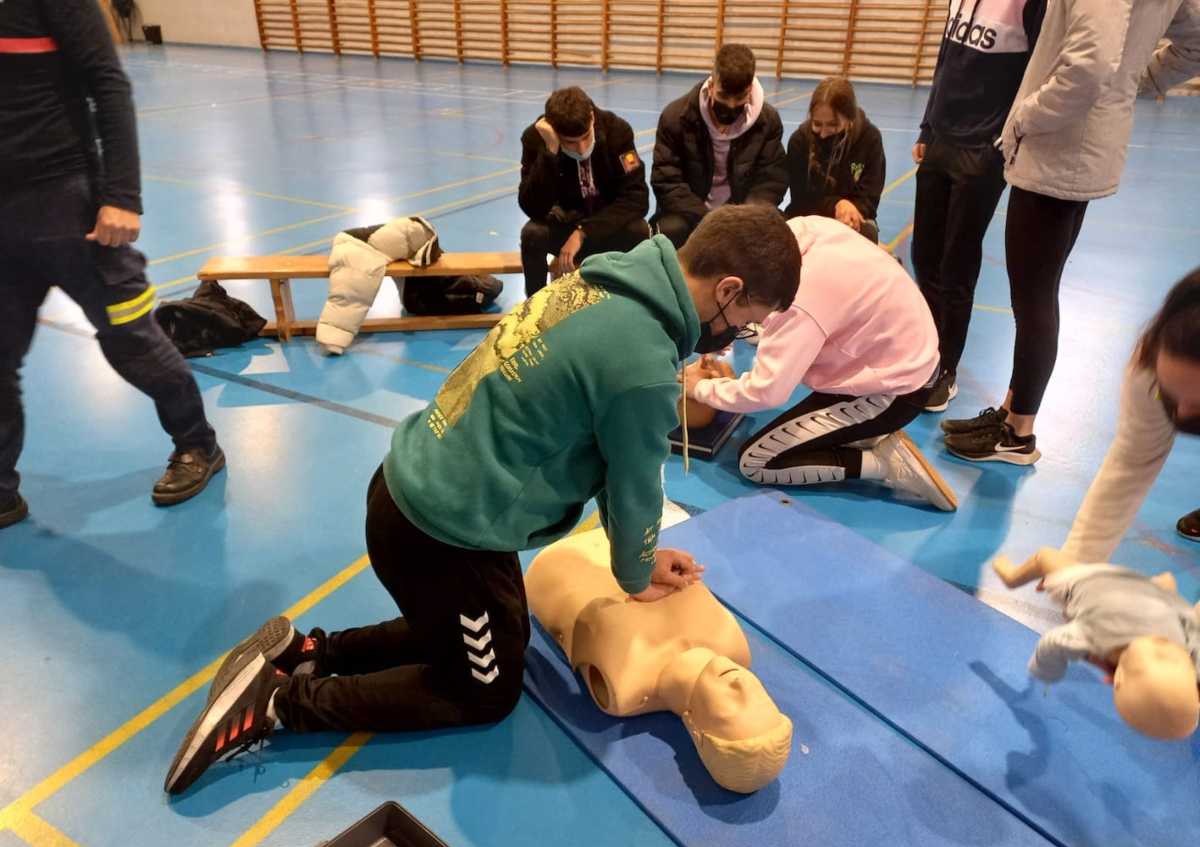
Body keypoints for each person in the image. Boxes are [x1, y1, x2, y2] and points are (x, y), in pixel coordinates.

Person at [163, 204, 803, 795]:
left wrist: (639, 560)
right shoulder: (645, 363)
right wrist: (636, 575)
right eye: (744, 324)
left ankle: (309, 652)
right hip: (443, 533)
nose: (734, 338)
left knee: (498, 633)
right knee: (484, 690)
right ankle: (278, 706)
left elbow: (609, 460)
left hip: (420, 486)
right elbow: (638, 484)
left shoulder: (604, 281)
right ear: (727, 292)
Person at [942, 0, 1200, 465]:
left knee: (1034, 298)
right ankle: (1010, 412)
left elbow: (1089, 65)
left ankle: (1019, 431)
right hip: (1078, 146)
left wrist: (1025, 117)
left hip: (1059, 148)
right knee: (1036, 293)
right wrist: (1134, 81)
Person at [0, 0, 223, 530]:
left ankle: (197, 444)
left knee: (130, 338)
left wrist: (121, 195)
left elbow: (108, 83)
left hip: (66, 201)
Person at [683, 215, 958, 512]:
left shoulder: (800, 303)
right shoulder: (797, 234)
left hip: (897, 388)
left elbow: (766, 393)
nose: (745, 325)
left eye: (748, 319)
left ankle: (882, 464)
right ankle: (861, 435)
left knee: (756, 461)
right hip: (901, 357)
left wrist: (700, 388)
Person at [525, 528, 793, 794]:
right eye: (761, 700)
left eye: (735, 706)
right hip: (617, 535)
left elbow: (591, 620)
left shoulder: (625, 686)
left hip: (553, 562)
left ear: (697, 730)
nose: (741, 684)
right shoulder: (734, 645)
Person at [910, 0, 1046, 413]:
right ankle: (924, 352)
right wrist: (927, 126)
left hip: (982, 150)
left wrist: (1002, 140)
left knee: (956, 265)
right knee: (924, 257)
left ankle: (945, 368)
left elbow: (1038, 73)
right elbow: (945, 60)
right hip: (941, 141)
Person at [1058, 269, 1200, 560]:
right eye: (1172, 394)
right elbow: (1130, 465)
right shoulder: (1149, 369)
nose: (1182, 412)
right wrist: (1074, 571)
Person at [992, 546, 1199, 741]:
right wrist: (1045, 672)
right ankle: (1011, 578)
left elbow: (1189, 621)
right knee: (1044, 557)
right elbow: (1051, 643)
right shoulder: (1092, 636)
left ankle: (1161, 586)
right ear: (1116, 682)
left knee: (1166, 591)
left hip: (1145, 591)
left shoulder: (1185, 645)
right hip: (1092, 582)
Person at [517, 86, 650, 299]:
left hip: (605, 226)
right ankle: (534, 308)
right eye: (570, 142)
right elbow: (532, 207)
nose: (580, 148)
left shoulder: (617, 131)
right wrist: (550, 153)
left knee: (639, 229)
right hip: (563, 226)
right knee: (533, 234)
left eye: (586, 137)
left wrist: (583, 231)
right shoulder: (535, 139)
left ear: (591, 117)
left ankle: (632, 301)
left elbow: (637, 198)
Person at [650, 43, 787, 248]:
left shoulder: (768, 122)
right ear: (712, 84)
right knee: (668, 232)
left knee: (781, 233)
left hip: (741, 216)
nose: (731, 105)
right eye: (723, 96)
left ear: (749, 89)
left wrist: (741, 218)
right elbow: (666, 181)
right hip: (690, 215)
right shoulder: (676, 117)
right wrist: (707, 219)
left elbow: (770, 181)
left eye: (739, 97)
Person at [783, 77, 885, 244]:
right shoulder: (799, 141)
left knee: (866, 234)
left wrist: (849, 210)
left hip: (852, 218)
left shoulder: (870, 138)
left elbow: (870, 197)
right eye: (817, 124)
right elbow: (800, 199)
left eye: (833, 125)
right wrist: (837, 204)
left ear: (849, 118)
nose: (823, 133)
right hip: (809, 216)